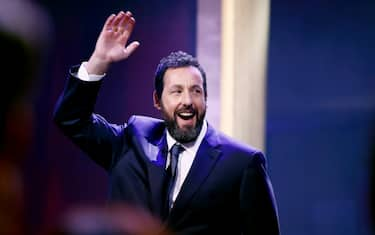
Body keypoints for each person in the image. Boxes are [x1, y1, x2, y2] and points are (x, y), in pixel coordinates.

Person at [53, 10, 280, 234]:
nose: (187, 101)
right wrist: (98, 61)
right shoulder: (132, 139)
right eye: (177, 91)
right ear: (157, 101)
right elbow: (71, 119)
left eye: (196, 91)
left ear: (206, 99)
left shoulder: (242, 163)